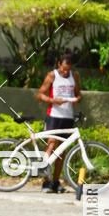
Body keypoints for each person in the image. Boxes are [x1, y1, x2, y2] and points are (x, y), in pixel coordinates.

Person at [37, 53, 82, 193]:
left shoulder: (74, 77)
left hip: (67, 117)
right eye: (63, 69)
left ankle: (56, 181)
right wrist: (54, 101)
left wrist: (77, 99)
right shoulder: (52, 75)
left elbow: (78, 93)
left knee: (62, 151)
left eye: (68, 69)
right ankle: (45, 181)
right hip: (54, 115)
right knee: (51, 145)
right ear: (58, 64)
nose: (65, 72)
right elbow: (40, 94)